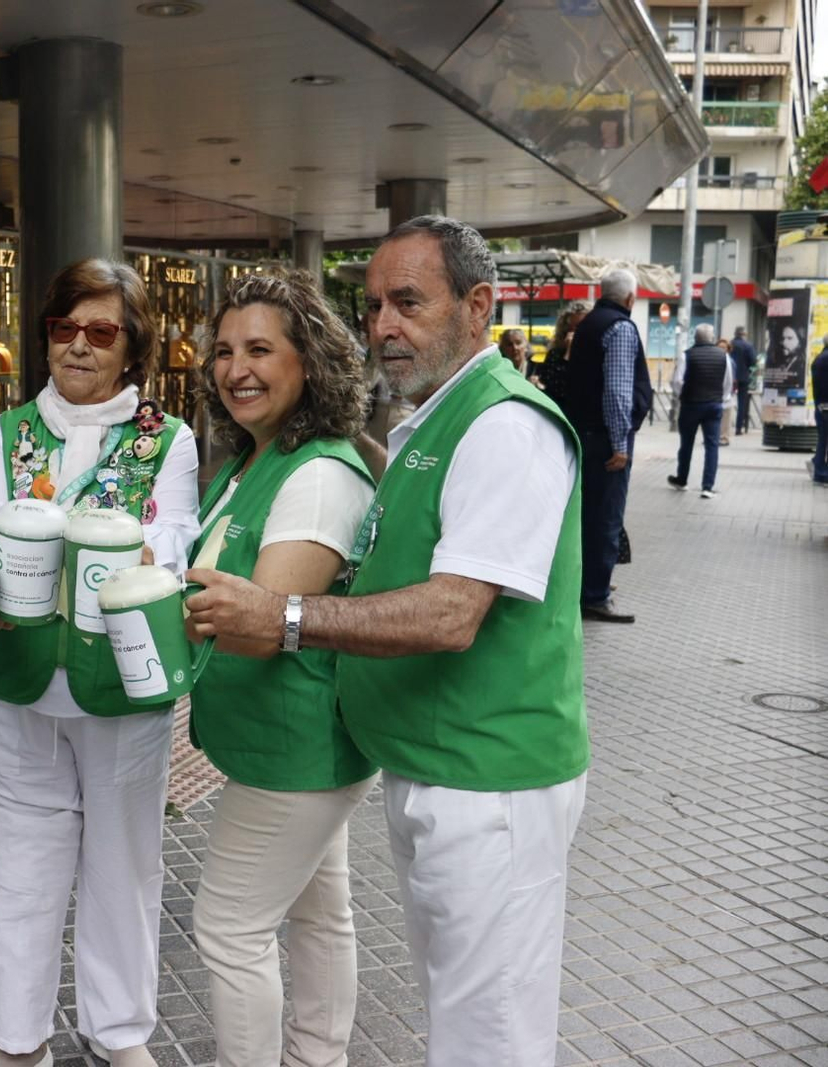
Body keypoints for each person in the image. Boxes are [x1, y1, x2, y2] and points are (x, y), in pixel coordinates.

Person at [185, 215, 588, 1067]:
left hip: (490, 780)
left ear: (478, 306)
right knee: (459, 1009)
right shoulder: (431, 422)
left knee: (490, 1034)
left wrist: (286, 616)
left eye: (409, 301)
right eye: (373, 306)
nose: (384, 326)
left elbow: (452, 612)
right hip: (435, 766)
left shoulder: (506, 426)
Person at [0, 259, 201, 1067]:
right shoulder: (7, 430)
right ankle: (17, 1036)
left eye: (101, 332)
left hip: (122, 684)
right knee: (23, 865)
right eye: (64, 329)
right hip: (22, 679)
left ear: (133, 348)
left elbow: (176, 542)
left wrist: (105, 539)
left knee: (126, 862)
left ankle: (119, 1030)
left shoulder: (168, 439)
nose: (78, 346)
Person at [184, 270, 378, 1067]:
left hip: (297, 751)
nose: (238, 369)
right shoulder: (256, 459)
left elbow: (260, 625)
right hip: (285, 745)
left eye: (261, 349)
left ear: (311, 363)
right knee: (319, 911)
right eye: (225, 351)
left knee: (228, 926)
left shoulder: (320, 474)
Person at [559, 266, 650, 624]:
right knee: (606, 517)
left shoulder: (588, 325)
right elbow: (616, 391)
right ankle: (595, 594)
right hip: (605, 439)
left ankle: (586, 586)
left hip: (584, 432)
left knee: (587, 514)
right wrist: (620, 443)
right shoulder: (620, 328)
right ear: (630, 298)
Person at [668, 325, 734, 499]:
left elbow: (676, 381)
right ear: (712, 339)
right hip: (713, 405)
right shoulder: (724, 356)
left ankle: (682, 480)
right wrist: (722, 397)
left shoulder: (686, 355)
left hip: (690, 405)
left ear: (695, 338)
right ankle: (707, 486)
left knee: (686, 444)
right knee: (712, 445)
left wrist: (683, 394)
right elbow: (728, 382)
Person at [537, 301, 589, 403]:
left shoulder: (594, 354)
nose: (575, 331)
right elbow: (556, 387)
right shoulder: (555, 353)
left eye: (580, 326)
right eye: (571, 327)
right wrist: (568, 354)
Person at [730, 326, 756, 435]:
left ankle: (722, 426)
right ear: (744, 334)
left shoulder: (729, 344)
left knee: (724, 400)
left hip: (730, 376)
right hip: (743, 376)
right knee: (742, 403)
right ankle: (738, 428)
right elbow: (753, 361)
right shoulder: (748, 346)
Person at [812, 340, 828, 486]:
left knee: (823, 439)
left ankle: (818, 467)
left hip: (821, 404)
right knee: (823, 440)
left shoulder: (820, 357)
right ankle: (821, 472)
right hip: (825, 405)